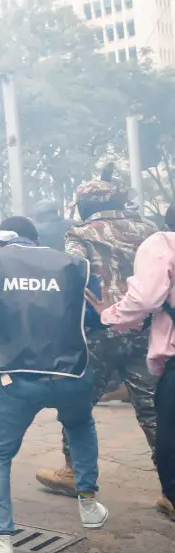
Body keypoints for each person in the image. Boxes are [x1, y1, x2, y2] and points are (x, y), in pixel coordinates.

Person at [0, 216, 109, 553]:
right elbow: (92, 318)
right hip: (71, 373)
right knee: (79, 426)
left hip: (18, 380)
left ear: (6, 241)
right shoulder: (75, 266)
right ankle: (89, 505)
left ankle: (2, 541)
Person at [35, 168, 161, 509]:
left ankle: (74, 470)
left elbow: (74, 278)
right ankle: (171, 487)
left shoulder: (81, 234)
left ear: (85, 205)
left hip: (99, 330)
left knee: (78, 402)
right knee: (154, 408)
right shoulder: (149, 230)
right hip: (147, 328)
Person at [88, 203, 175, 520]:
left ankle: (76, 471)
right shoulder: (144, 230)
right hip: (147, 343)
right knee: (155, 416)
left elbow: (146, 298)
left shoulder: (162, 241)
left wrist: (107, 315)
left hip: (129, 337)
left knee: (169, 442)